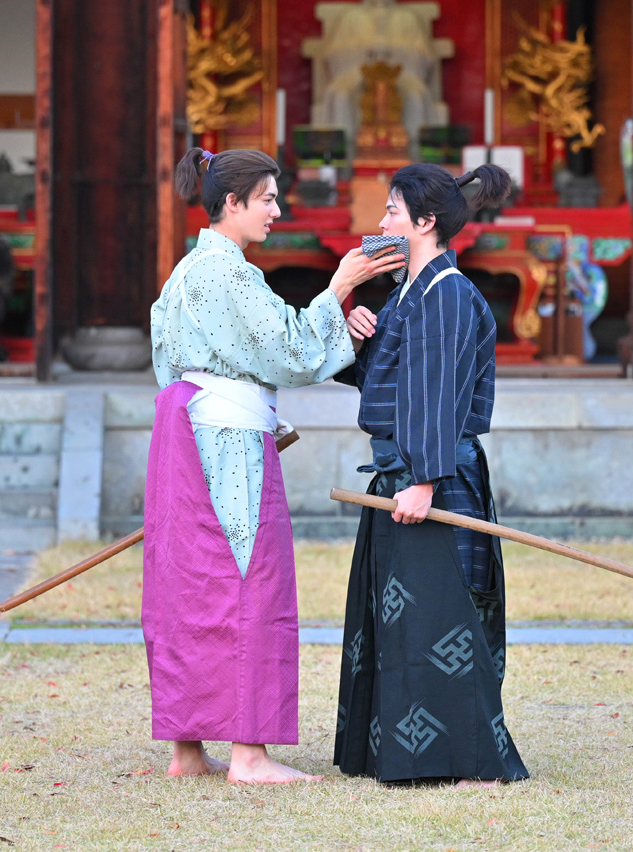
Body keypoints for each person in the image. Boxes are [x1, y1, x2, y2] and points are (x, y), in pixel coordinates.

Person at [145, 147, 404, 785]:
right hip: (229, 446)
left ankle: (186, 750)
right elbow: (288, 349)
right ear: (232, 203)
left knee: (188, 586)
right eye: (266, 198)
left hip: (185, 439)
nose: (276, 210)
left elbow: (171, 361)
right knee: (248, 583)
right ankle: (249, 754)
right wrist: (339, 287)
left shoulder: (186, 271)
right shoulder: (229, 275)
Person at [333, 163, 529, 787]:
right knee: (404, 618)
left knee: (447, 618)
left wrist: (423, 479)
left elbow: (436, 393)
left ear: (425, 222)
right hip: (407, 470)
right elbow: (386, 381)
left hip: (432, 475)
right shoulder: (409, 292)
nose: (381, 222)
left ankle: (468, 759)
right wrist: (355, 336)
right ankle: (409, 754)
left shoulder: (446, 292)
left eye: (392, 211)